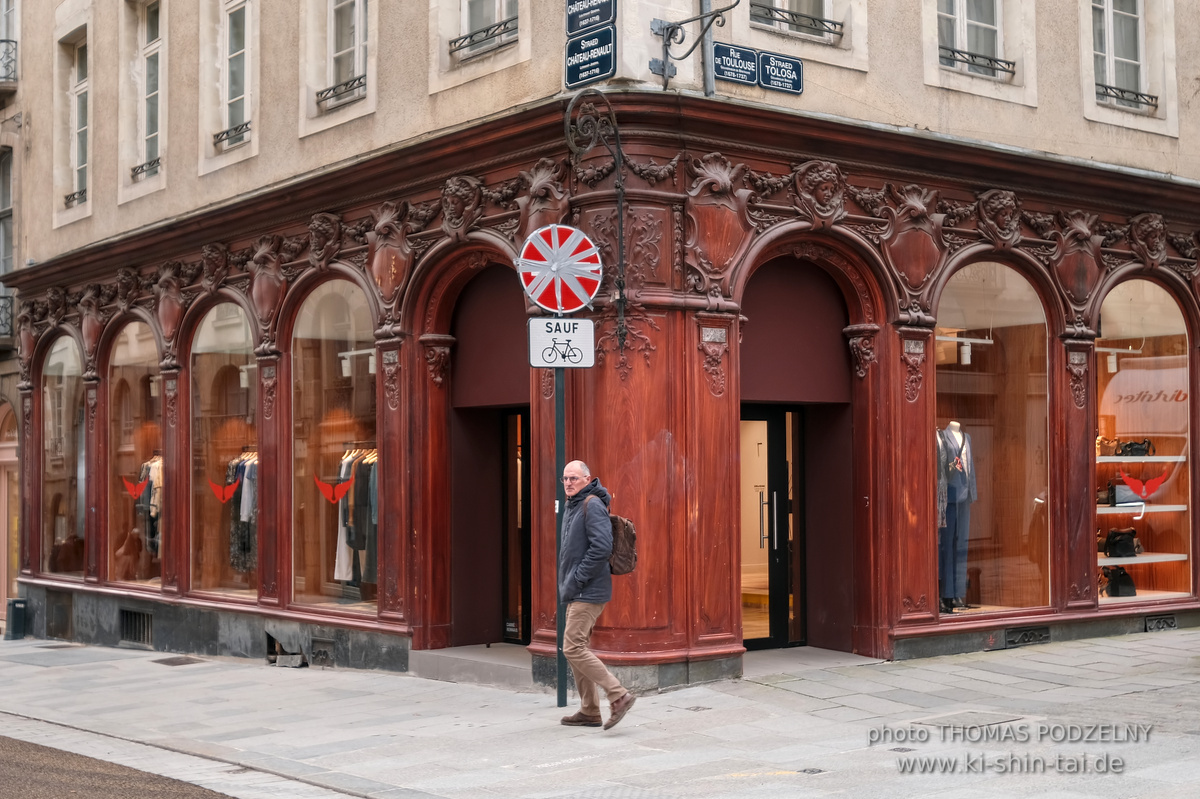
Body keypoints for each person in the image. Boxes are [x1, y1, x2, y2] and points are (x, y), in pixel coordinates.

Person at [557, 459, 636, 730]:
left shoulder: (591, 505)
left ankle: (618, 695)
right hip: (577, 589)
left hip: (587, 590)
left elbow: (602, 548)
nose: (568, 483)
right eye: (565, 479)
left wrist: (578, 578)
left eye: (574, 479)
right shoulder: (574, 505)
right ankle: (589, 710)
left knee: (572, 646)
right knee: (576, 648)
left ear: (588, 479)